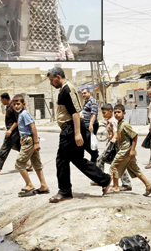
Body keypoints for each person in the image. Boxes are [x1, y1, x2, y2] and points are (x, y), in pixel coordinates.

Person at [47, 67, 112, 203]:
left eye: (52, 80)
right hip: (71, 129)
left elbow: (75, 113)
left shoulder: (67, 89)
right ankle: (104, 179)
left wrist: (77, 134)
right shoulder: (64, 89)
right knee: (77, 159)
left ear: (58, 77)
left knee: (61, 160)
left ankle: (64, 192)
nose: (51, 83)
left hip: (70, 129)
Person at [108, 104, 151, 196]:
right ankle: (148, 185)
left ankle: (115, 186)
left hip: (126, 150)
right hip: (126, 150)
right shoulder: (119, 123)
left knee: (114, 166)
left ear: (124, 113)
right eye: (115, 113)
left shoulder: (125, 124)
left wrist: (132, 150)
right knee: (135, 169)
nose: (117, 114)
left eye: (119, 112)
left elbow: (134, 136)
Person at [11, 95, 49, 197]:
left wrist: (36, 142)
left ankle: (29, 185)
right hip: (27, 139)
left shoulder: (24, 114)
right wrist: (22, 137)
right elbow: (25, 129)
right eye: (14, 104)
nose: (16, 106)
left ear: (23, 104)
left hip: (30, 141)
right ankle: (43, 185)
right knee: (36, 163)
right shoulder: (21, 114)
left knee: (19, 163)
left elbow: (33, 127)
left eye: (18, 104)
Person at [0, 93, 32, 175]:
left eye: (1, 100)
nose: (1, 102)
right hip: (15, 132)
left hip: (13, 132)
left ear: (4, 99)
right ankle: (29, 165)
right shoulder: (9, 106)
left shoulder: (13, 106)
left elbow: (17, 121)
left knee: (4, 149)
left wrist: (10, 130)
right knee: (19, 148)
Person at [93, 104, 132, 191]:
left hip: (115, 145)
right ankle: (101, 179)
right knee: (114, 163)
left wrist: (112, 141)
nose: (103, 115)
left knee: (107, 161)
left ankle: (102, 179)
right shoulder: (109, 120)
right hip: (111, 143)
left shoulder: (113, 121)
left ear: (110, 111)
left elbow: (116, 132)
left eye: (104, 113)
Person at [81, 88, 100, 163]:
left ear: (89, 93)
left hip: (91, 126)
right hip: (86, 126)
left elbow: (94, 114)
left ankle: (95, 157)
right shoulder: (86, 102)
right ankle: (94, 157)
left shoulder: (92, 101)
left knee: (89, 143)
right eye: (82, 93)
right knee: (86, 144)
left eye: (85, 93)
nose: (83, 95)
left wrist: (91, 124)